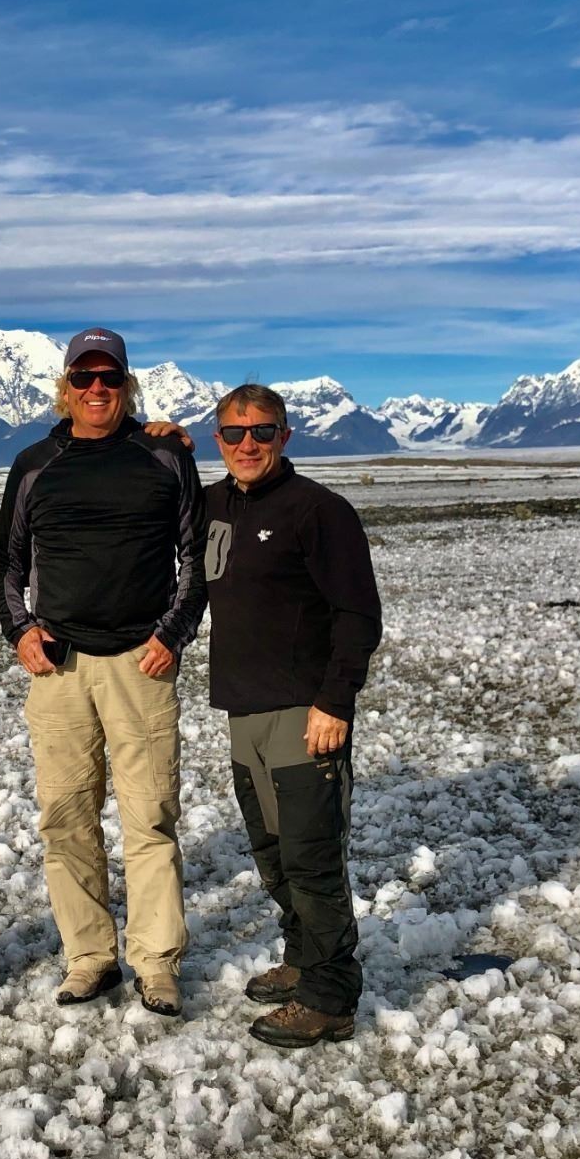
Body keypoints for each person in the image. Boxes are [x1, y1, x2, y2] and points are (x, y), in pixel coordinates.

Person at [0, 327, 207, 1016]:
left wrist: (173, 632)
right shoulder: (34, 464)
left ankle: (156, 963)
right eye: (82, 378)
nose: (95, 389)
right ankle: (89, 957)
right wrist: (21, 631)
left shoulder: (165, 456)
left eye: (108, 378)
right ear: (65, 387)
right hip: (60, 669)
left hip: (141, 664)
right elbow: (7, 565)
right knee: (66, 818)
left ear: (126, 385)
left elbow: (196, 558)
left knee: (150, 818)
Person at [203, 383, 383, 1048]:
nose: (248, 444)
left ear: (285, 436)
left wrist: (336, 701)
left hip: (306, 711)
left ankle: (329, 997)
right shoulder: (212, 505)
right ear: (218, 439)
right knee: (274, 854)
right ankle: (304, 956)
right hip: (243, 709)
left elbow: (358, 615)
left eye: (262, 431)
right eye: (234, 432)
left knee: (311, 858)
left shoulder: (319, 511)